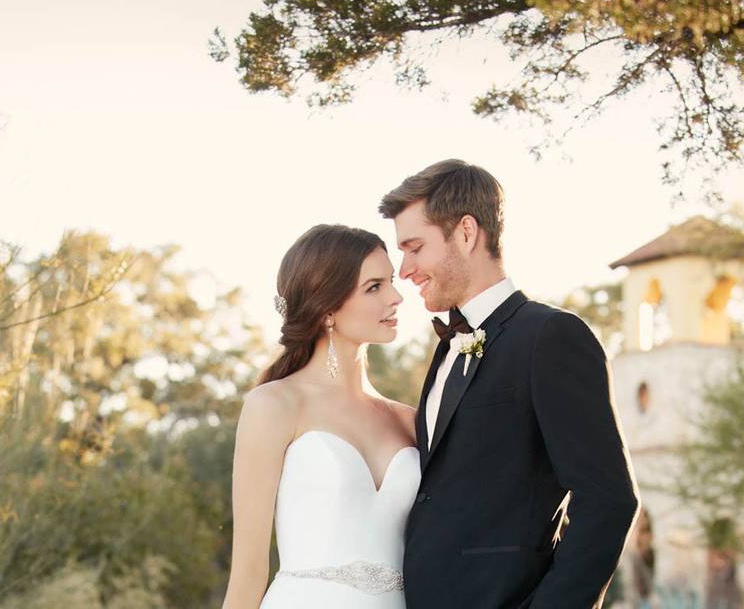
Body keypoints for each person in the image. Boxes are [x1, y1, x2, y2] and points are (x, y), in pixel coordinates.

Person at [379, 159, 640, 608]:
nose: (405, 270)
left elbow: (608, 499)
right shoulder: (446, 351)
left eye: (415, 247)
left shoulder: (551, 336)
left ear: (466, 232)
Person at [222, 224, 419, 609]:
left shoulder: (409, 420)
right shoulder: (275, 405)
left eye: (391, 281)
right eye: (374, 287)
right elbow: (248, 571)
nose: (396, 297)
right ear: (327, 307)